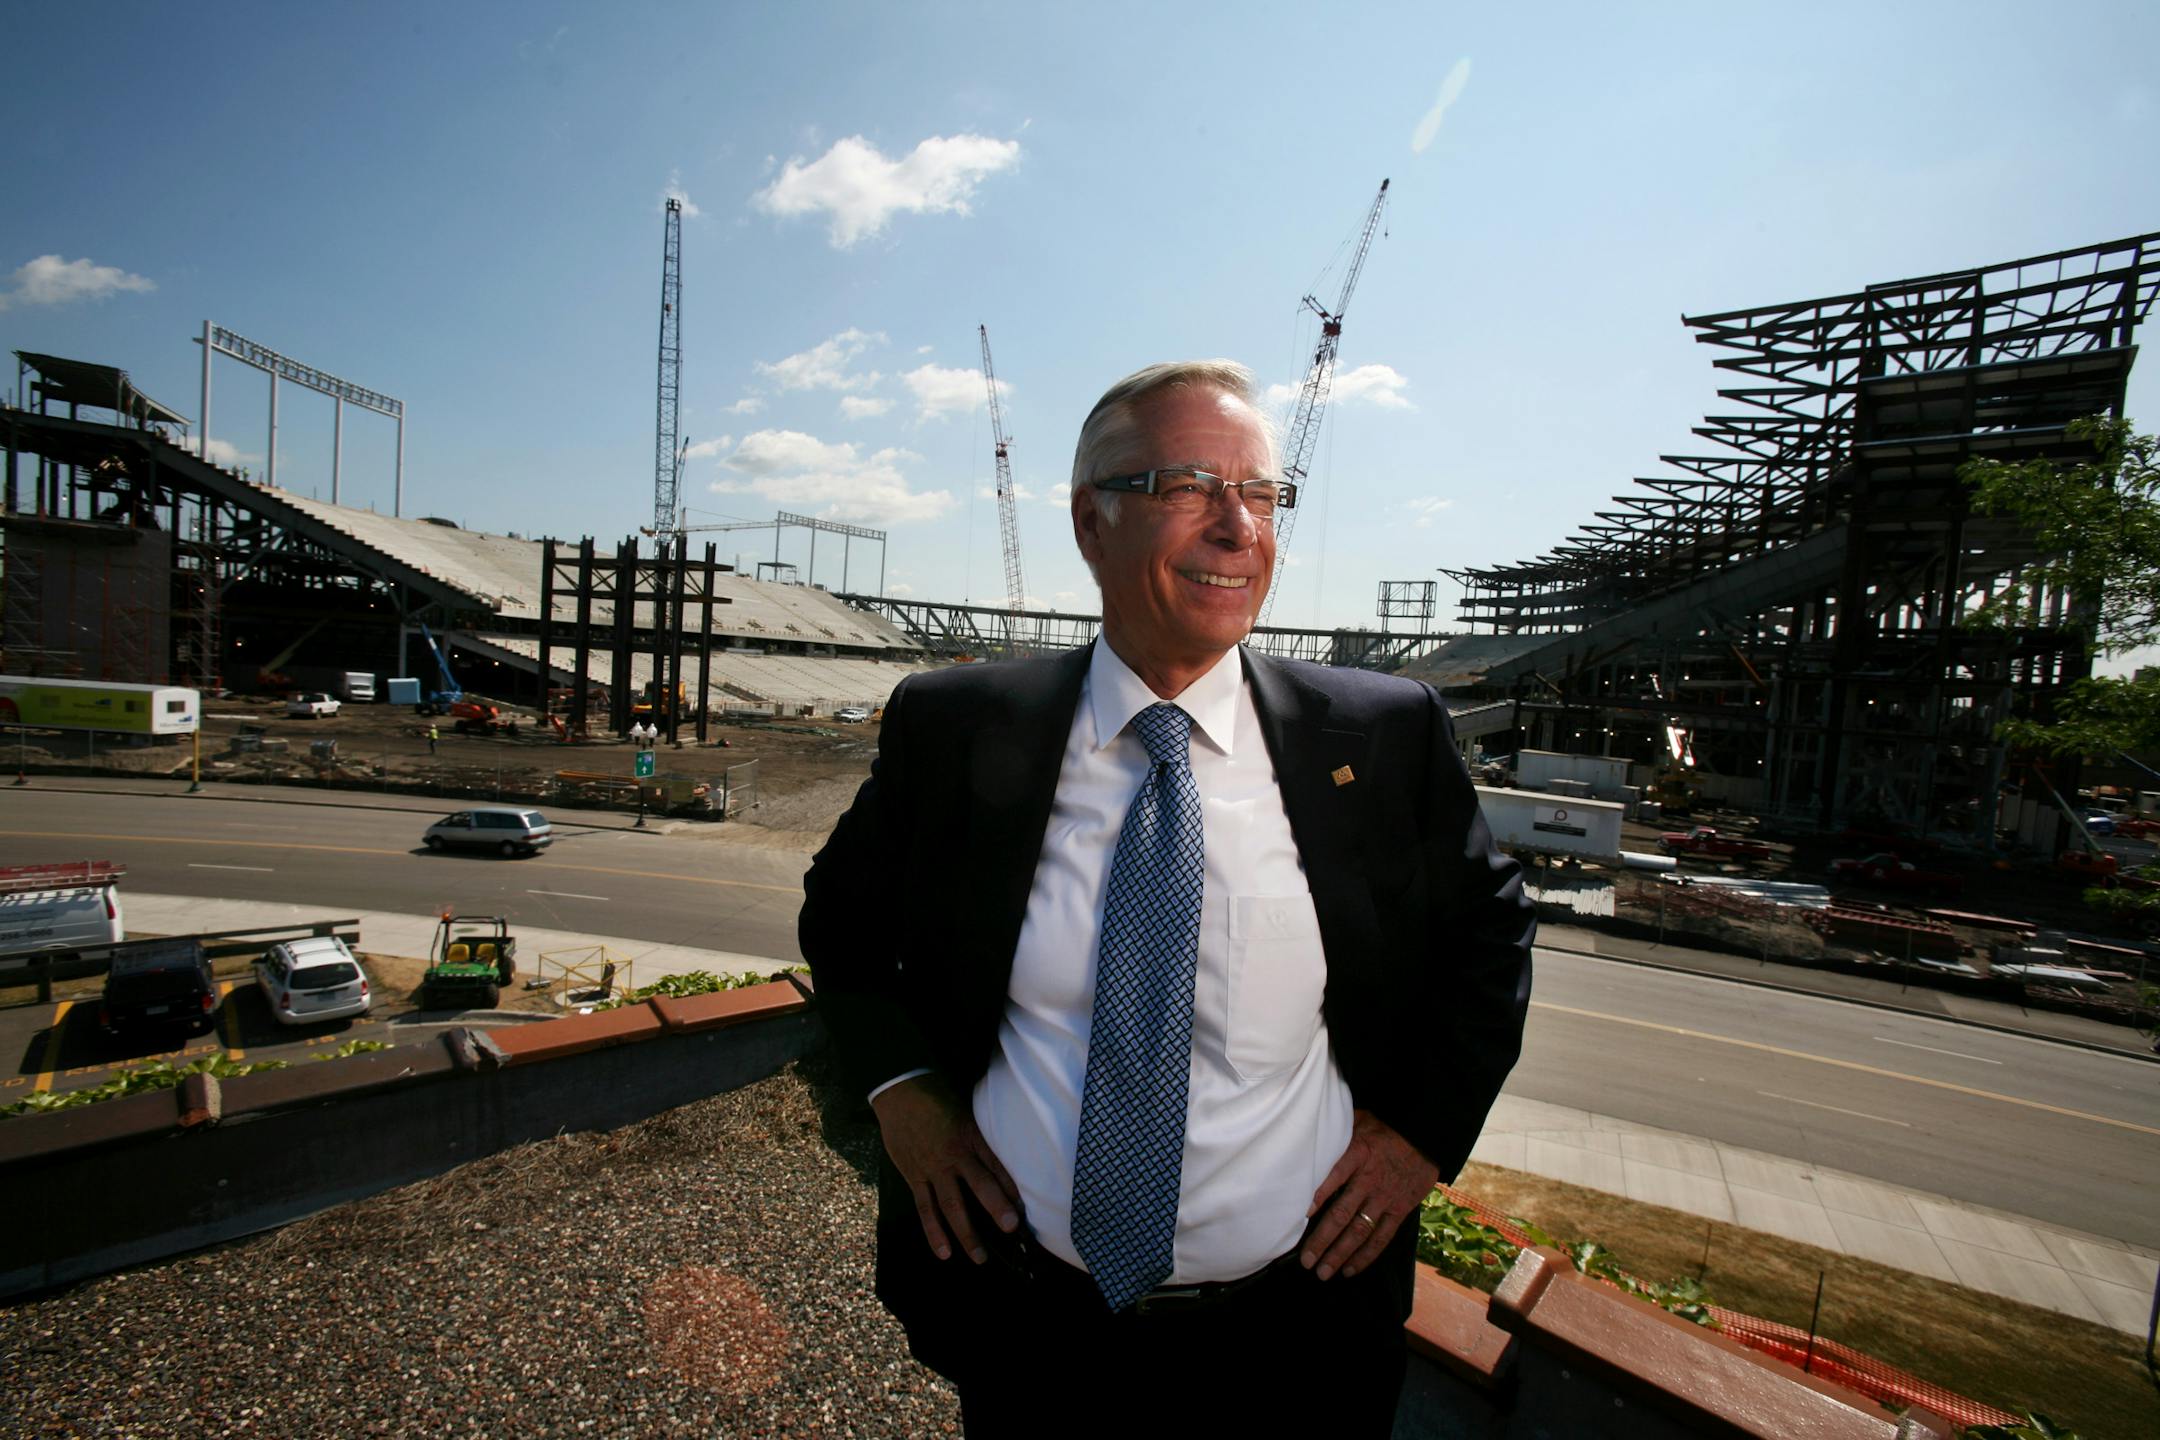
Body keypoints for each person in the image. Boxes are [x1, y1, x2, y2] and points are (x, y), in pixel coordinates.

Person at [800, 360, 1534, 1436]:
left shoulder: (1380, 737)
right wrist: (902, 1088)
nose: (1242, 528)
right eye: (1193, 484)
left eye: (1265, 493)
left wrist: (1421, 1133)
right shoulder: (957, 729)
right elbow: (843, 917)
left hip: (1299, 1342)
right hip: (1030, 1325)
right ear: (1092, 523)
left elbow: (1490, 933)